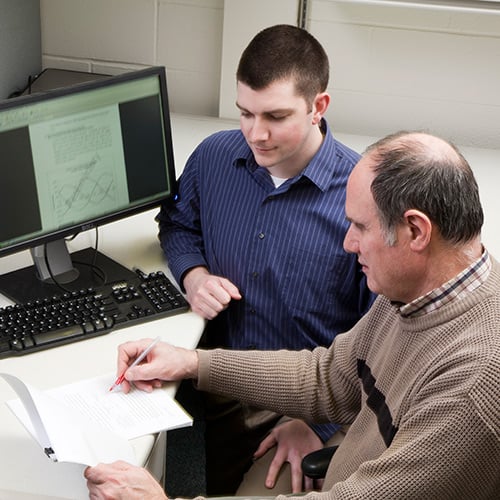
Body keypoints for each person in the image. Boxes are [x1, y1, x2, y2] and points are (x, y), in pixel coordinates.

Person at [86, 131, 500, 499]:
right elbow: (326, 377)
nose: (348, 243)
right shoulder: (419, 295)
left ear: (416, 232)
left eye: (359, 226)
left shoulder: (471, 387)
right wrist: (194, 363)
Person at [156, 24, 374, 495]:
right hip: (220, 379)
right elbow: (177, 223)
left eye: (275, 116)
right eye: (245, 114)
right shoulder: (215, 157)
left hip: (302, 403)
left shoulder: (362, 200)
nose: (257, 134)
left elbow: (382, 342)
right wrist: (193, 275)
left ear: (319, 107)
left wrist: (319, 425)